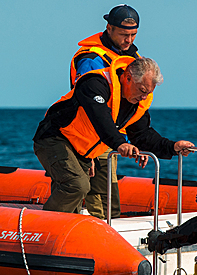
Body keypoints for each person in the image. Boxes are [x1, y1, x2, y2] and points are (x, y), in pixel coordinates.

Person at [33, 56, 194, 215]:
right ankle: (41, 228)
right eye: (142, 91)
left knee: (73, 199)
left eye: (149, 93)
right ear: (128, 78)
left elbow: (142, 135)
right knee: (76, 185)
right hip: (54, 138)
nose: (144, 97)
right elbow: (100, 118)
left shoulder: (135, 102)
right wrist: (120, 143)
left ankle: (56, 233)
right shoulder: (95, 83)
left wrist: (172, 147)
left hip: (81, 150)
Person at [70, 4, 142, 219]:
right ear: (109, 28)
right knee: (96, 197)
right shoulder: (90, 59)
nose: (129, 40)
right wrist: (89, 151)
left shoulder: (132, 56)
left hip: (111, 135)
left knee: (109, 197)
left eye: (133, 35)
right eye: (124, 35)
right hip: (87, 133)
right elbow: (91, 105)